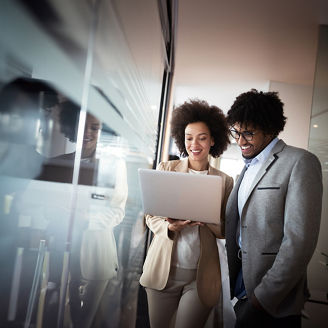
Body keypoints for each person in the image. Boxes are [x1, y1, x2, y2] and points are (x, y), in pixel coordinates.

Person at [225, 89, 323, 328]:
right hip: (238, 285)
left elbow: (299, 242)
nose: (239, 141)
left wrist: (262, 299)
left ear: (270, 129)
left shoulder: (300, 162)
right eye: (236, 132)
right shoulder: (247, 167)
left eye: (248, 133)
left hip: (272, 297)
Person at [139, 99, 234, 328]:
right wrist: (170, 227)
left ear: (213, 139)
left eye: (202, 137)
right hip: (164, 271)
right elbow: (151, 215)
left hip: (200, 278)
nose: (195, 144)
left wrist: (207, 219)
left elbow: (227, 231)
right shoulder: (166, 169)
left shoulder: (225, 181)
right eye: (189, 137)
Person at [38, 103, 128, 328]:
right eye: (83, 126)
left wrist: (87, 220)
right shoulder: (60, 161)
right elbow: (46, 206)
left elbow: (117, 211)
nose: (88, 133)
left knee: (83, 323)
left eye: (95, 128)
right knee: (55, 318)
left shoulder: (113, 165)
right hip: (61, 253)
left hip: (95, 256)